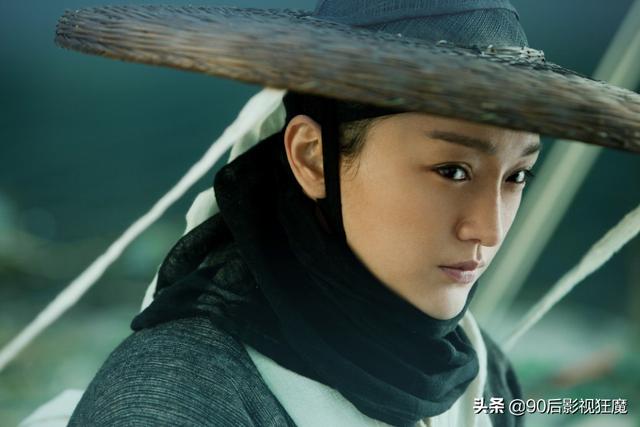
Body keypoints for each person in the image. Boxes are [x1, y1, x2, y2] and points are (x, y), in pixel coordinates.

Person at [50, 1, 636, 426]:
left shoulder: (474, 367)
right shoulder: (178, 398)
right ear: (313, 158)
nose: (488, 228)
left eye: (517, 176)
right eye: (452, 170)